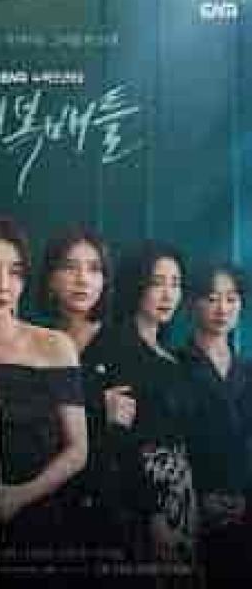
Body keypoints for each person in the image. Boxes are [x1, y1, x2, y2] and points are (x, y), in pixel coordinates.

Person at [0, 215, 87, 582]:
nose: (3, 285)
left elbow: (78, 450)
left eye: (15, 272)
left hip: (37, 520)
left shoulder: (53, 345)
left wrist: (19, 497)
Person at [38, 225, 139, 567]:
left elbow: (123, 432)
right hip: (41, 502)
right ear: (51, 279)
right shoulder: (35, 341)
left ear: (105, 281)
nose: (83, 279)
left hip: (105, 508)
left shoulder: (123, 343)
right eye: (70, 267)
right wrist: (97, 404)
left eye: (94, 269)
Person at [110, 241, 196, 572]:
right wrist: (153, 513)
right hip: (144, 493)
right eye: (157, 282)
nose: (168, 294)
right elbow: (122, 441)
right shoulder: (119, 346)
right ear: (137, 285)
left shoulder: (171, 357)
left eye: (175, 283)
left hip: (180, 489)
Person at [180, 263, 252, 582]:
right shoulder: (174, 365)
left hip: (245, 508)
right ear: (192, 303)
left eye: (231, 299)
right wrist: (198, 499)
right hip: (192, 510)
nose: (222, 309)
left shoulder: (248, 371)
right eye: (211, 298)